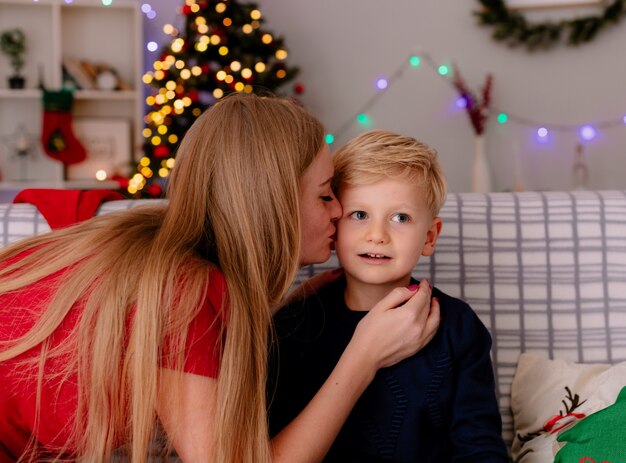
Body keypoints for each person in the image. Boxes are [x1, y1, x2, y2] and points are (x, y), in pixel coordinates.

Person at [0, 95, 440, 463]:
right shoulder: (183, 294)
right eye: (325, 194)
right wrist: (363, 356)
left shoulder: (162, 251)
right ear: (273, 205)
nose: (339, 212)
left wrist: (285, 305)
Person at [268, 130, 509, 462]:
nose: (377, 235)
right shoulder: (295, 324)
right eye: (360, 215)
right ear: (334, 224)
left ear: (429, 236)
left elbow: (480, 447)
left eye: (400, 218)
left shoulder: (457, 327)